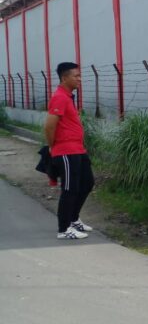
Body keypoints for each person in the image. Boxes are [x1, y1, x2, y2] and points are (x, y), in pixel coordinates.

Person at [43, 62, 94, 240]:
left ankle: (73, 219)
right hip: (65, 150)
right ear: (64, 78)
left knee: (87, 182)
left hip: (78, 149)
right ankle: (64, 229)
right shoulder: (59, 97)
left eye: (80, 76)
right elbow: (49, 126)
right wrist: (52, 146)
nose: (79, 79)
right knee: (70, 188)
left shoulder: (68, 96)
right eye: (76, 76)